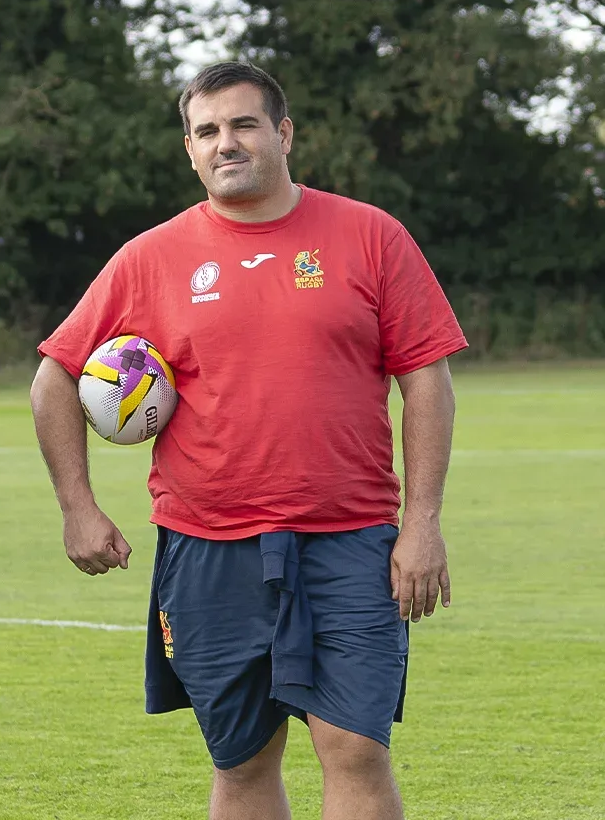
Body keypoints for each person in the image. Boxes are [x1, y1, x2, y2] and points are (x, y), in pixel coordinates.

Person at [30, 62, 467, 820]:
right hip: (207, 545)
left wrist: (423, 521)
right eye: (206, 131)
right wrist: (78, 506)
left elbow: (426, 377)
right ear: (190, 151)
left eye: (242, 124)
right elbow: (53, 378)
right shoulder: (151, 256)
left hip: (352, 538)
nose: (224, 142)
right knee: (240, 761)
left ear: (284, 133)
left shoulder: (370, 235)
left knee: (357, 749)